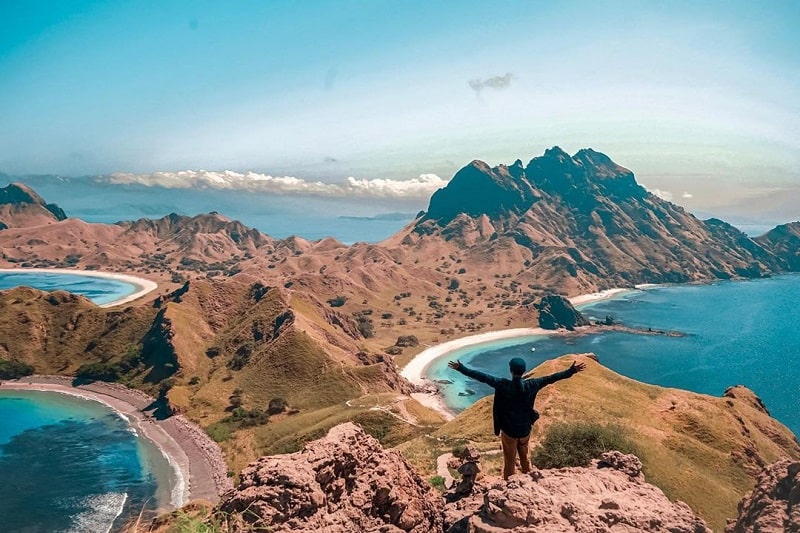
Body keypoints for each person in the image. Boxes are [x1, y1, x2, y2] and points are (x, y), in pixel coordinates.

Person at [448, 357, 586, 479]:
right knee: (525, 459)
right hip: (525, 430)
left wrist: (461, 368)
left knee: (510, 461)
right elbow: (552, 378)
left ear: (511, 370)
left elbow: (481, 377)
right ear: (524, 370)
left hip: (509, 432)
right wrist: (571, 371)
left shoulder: (502, 384)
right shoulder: (532, 384)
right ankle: (528, 480)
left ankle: (510, 484)